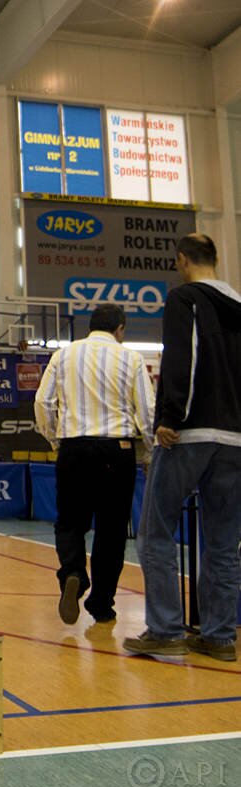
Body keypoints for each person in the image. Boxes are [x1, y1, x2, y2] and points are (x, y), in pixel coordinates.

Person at [124, 234, 241, 662]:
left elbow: (181, 357)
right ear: (216, 258)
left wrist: (170, 417)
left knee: (156, 531)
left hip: (189, 434)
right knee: (224, 543)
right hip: (235, 440)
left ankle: (166, 630)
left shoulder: (184, 298)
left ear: (181, 260)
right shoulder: (238, 304)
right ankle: (219, 636)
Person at [34, 303, 155, 625]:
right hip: (117, 450)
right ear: (120, 328)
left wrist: (56, 440)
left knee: (69, 523)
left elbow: (42, 402)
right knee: (112, 531)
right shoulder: (131, 358)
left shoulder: (63, 355)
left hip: (74, 447)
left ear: (90, 326)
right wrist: (150, 452)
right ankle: (102, 604)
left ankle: (73, 573)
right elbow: (147, 411)